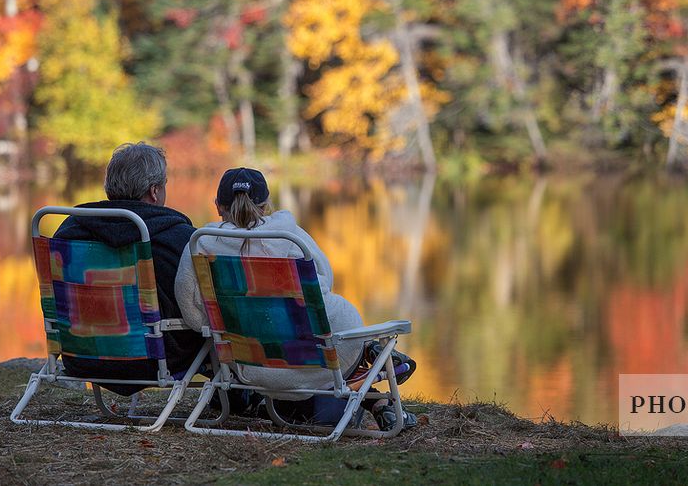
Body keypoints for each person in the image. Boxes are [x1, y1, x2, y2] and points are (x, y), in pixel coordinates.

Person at [175, 167, 416, 428]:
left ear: (218, 206)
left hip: (252, 367)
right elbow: (324, 281)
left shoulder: (200, 244)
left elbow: (191, 310)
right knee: (338, 332)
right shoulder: (291, 237)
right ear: (266, 205)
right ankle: (372, 354)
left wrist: (224, 327)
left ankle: (372, 370)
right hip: (319, 360)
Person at [53, 142, 205, 392]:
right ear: (155, 191)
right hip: (153, 360)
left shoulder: (69, 231)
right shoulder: (179, 238)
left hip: (81, 356)